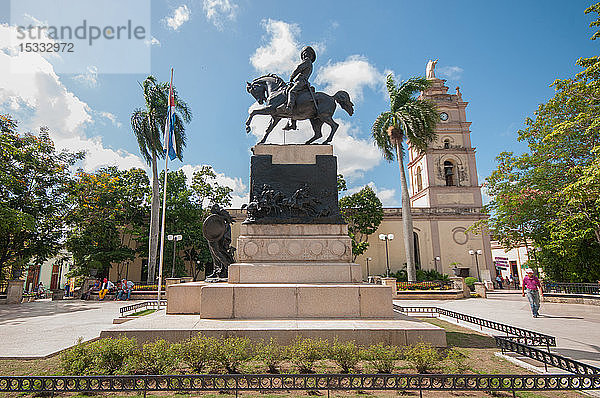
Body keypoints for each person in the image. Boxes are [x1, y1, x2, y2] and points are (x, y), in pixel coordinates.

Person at [282, 46, 316, 130]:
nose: (304, 55)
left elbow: (298, 68)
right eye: (303, 54)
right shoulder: (309, 63)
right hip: (302, 82)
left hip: (301, 81)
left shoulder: (307, 61)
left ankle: (289, 108)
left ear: (310, 55)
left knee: (291, 91)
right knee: (296, 99)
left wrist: (291, 77)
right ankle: (292, 122)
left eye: (305, 53)